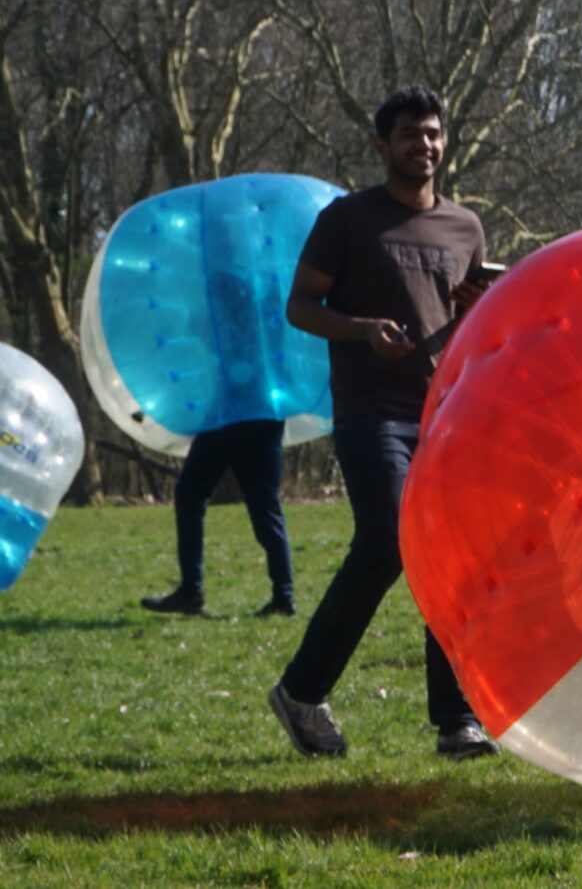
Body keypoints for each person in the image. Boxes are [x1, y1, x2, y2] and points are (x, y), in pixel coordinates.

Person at [266, 85, 496, 760]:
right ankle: (302, 692)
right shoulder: (348, 219)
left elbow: (469, 324)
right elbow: (300, 306)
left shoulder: (465, 227)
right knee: (387, 542)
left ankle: (457, 722)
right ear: (381, 145)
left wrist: (476, 307)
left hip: (445, 412)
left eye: (432, 133)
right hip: (372, 410)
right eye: (409, 134)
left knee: (450, 554)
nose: (424, 144)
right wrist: (362, 329)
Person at [140, 417, 294, 617]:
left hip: (230, 414)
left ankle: (191, 591)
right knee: (265, 503)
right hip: (270, 412)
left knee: (190, 494)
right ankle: (283, 598)